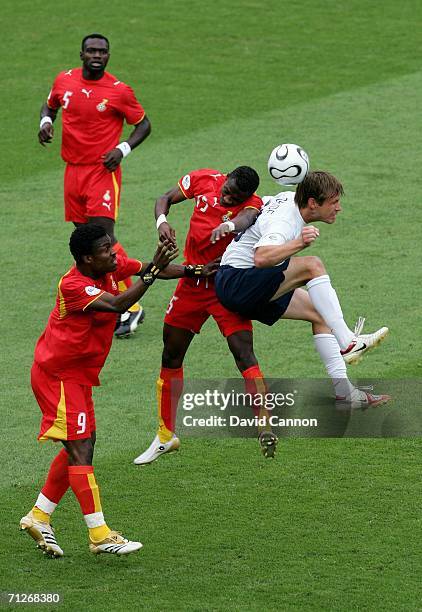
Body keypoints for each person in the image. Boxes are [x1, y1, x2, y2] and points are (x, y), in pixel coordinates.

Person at [20, 225, 215, 557]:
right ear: (87, 258)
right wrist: (152, 274)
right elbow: (118, 304)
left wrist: (196, 270)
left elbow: (151, 268)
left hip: (78, 377)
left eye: (111, 248)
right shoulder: (74, 285)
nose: (114, 253)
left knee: (82, 445)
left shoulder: (110, 266)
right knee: (80, 449)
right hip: (58, 377)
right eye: (105, 250)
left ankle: (39, 516)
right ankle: (99, 534)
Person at [133, 166, 281, 465]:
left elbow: (246, 219)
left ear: (246, 196)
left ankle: (264, 424)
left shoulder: (253, 204)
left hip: (226, 286)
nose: (226, 197)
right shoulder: (205, 179)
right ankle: (165, 436)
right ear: (224, 179)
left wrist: (228, 227)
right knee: (171, 355)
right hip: (191, 284)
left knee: (244, 354)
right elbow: (165, 198)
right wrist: (162, 221)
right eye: (226, 190)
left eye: (233, 196)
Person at [215, 171, 390, 408]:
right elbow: (261, 257)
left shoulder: (288, 198)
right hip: (237, 283)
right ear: (312, 203)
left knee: (321, 313)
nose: (338, 208)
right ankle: (348, 343)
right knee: (312, 265)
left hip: (239, 282)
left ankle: (345, 393)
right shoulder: (285, 222)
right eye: (334, 202)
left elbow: (260, 205)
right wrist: (299, 243)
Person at [38, 33, 151, 338]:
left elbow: (143, 124)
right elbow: (49, 106)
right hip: (72, 171)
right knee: (84, 237)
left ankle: (130, 305)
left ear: (108, 56)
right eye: (91, 51)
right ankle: (107, 295)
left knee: (104, 236)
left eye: (102, 51)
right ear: (82, 54)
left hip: (102, 171)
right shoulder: (64, 81)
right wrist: (45, 123)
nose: (97, 55)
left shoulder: (118, 91)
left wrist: (123, 149)